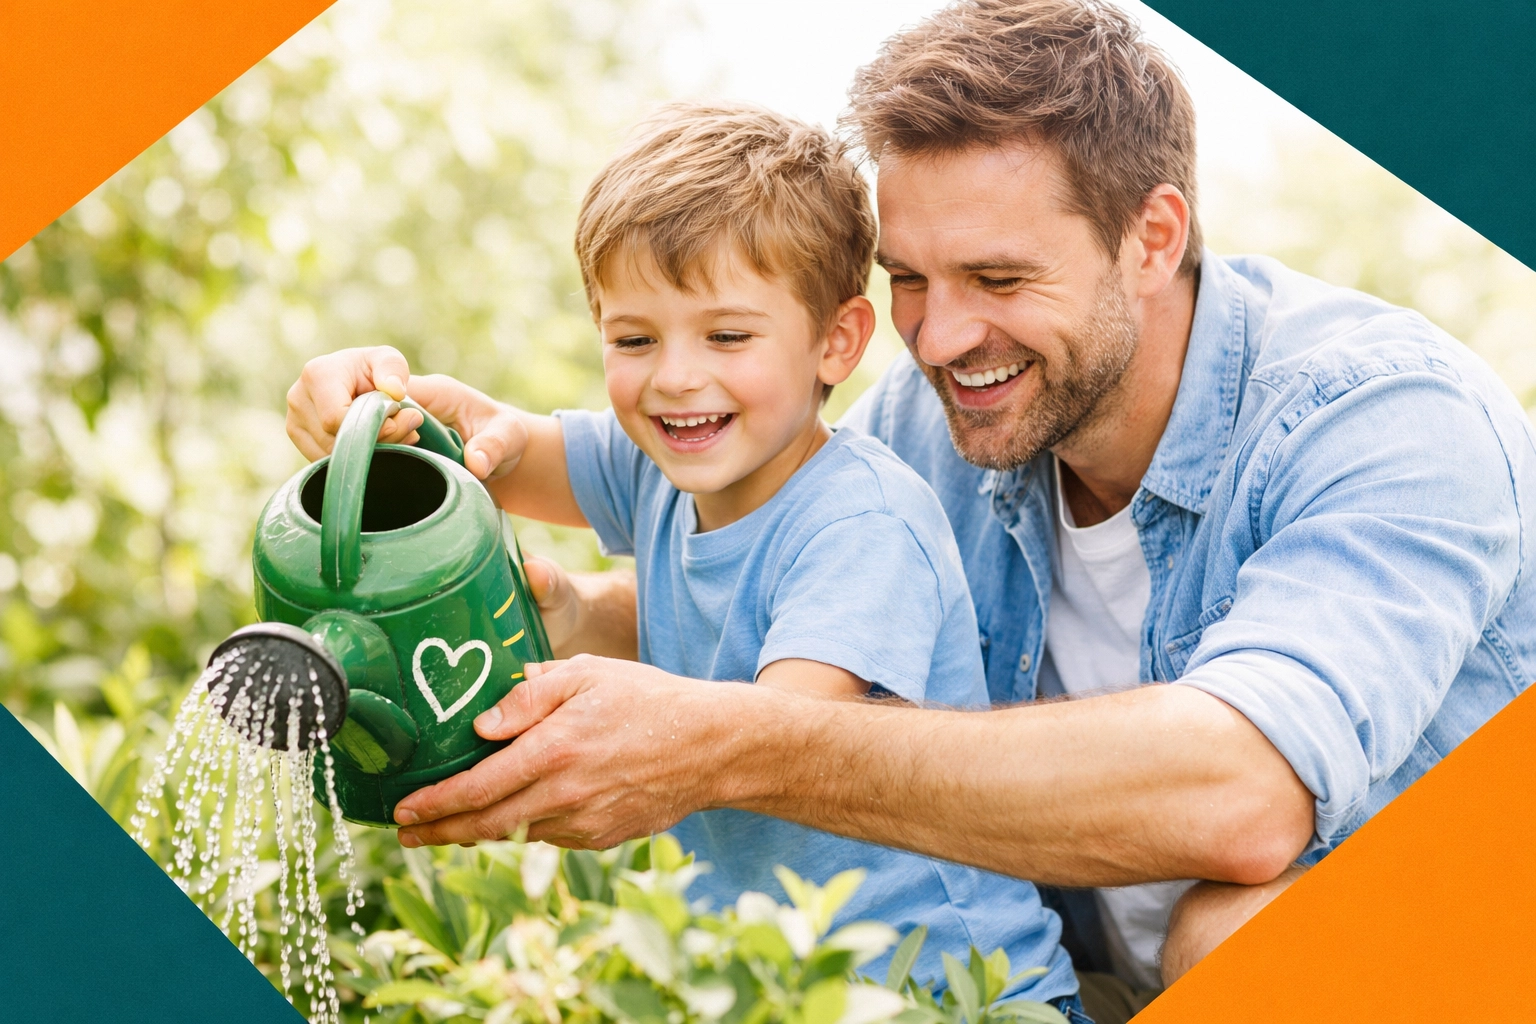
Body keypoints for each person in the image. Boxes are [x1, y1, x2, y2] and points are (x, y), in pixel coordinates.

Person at [300, 3, 1536, 1022]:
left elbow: (1243, 794)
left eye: (999, 278)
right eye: (909, 283)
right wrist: (539, 601)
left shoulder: (1385, 420)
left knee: (1236, 932)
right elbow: (766, 594)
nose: (939, 339)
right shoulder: (939, 423)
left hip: (1422, 958)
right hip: (1096, 971)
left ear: (1152, 235)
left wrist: (723, 744)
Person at [288, 104, 1086, 1015]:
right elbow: (492, 445)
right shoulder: (657, 464)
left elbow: (770, 739)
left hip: (950, 992)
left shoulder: (861, 523)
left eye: (727, 336)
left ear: (837, 341)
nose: (674, 377)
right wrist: (374, 400)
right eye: (634, 339)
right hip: (774, 984)